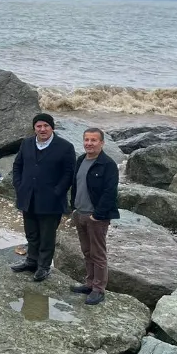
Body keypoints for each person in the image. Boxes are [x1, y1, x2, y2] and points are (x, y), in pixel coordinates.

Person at [10, 112, 76, 281]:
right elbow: (17, 166)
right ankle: (31, 261)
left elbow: (68, 174)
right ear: (34, 128)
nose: (42, 129)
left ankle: (44, 267)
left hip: (51, 200)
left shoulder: (65, 147)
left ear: (52, 127)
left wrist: (57, 192)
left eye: (46, 126)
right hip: (28, 197)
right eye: (39, 126)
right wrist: (19, 186)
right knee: (31, 233)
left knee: (47, 235)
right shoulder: (27, 143)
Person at [68, 127, 120, 305]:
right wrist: (72, 207)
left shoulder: (108, 164)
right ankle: (89, 283)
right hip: (79, 213)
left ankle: (98, 289)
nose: (89, 143)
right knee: (86, 251)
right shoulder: (81, 159)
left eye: (93, 140)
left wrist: (97, 216)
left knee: (98, 253)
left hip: (96, 217)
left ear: (102, 143)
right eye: (87, 140)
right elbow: (76, 185)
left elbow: (110, 193)